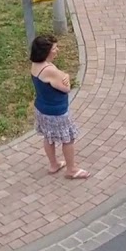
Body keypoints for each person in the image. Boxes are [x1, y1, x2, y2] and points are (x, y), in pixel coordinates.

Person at [29, 34, 89, 179]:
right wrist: (66, 76)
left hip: (41, 108)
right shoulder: (49, 70)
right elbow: (66, 88)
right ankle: (72, 169)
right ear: (46, 51)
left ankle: (54, 164)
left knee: (48, 137)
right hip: (57, 111)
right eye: (55, 48)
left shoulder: (35, 65)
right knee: (67, 139)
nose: (58, 50)